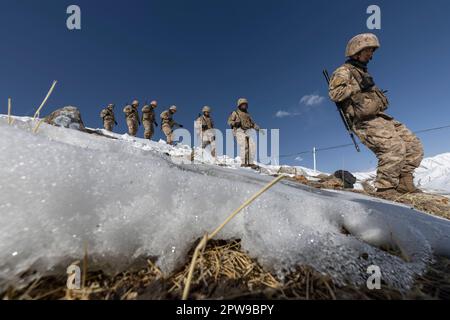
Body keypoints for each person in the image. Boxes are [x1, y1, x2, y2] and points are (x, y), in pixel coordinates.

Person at [328, 33, 424, 194]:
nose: (371, 55)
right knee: (393, 148)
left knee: (414, 146)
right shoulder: (344, 71)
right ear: (357, 51)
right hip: (363, 121)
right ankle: (385, 188)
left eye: (372, 51)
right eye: (368, 51)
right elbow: (335, 94)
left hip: (380, 117)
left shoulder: (362, 72)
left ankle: (404, 183)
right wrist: (357, 87)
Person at [227, 98, 260, 168]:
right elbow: (229, 121)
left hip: (247, 131)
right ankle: (243, 163)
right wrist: (235, 123)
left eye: (245, 104)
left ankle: (250, 163)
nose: (244, 106)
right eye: (243, 104)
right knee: (244, 145)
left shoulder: (247, 114)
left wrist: (258, 128)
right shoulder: (235, 113)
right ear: (239, 105)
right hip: (239, 131)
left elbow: (252, 123)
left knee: (252, 145)